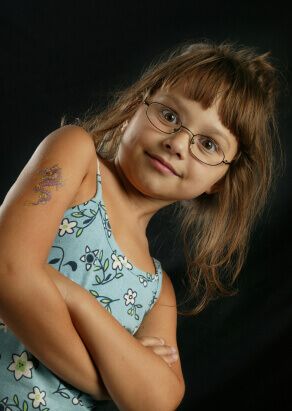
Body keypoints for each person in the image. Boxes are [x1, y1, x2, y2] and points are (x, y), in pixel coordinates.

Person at [0, 39, 282, 410]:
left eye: (209, 145)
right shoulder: (76, 156)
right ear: (137, 105)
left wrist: (72, 296)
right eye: (169, 116)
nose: (179, 143)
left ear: (218, 182)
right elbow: (6, 269)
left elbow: (156, 402)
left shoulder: (156, 291)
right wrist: (108, 378)